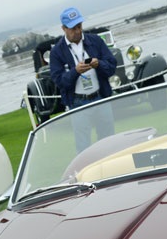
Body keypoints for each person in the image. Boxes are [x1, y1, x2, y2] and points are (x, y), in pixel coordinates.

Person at [46, 8, 117, 151]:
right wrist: (75, 72)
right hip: (78, 103)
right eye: (73, 28)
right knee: (83, 145)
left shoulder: (95, 41)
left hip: (101, 97)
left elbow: (111, 66)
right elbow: (59, 81)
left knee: (109, 141)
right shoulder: (56, 52)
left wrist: (99, 64)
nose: (78, 31)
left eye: (79, 26)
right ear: (64, 28)